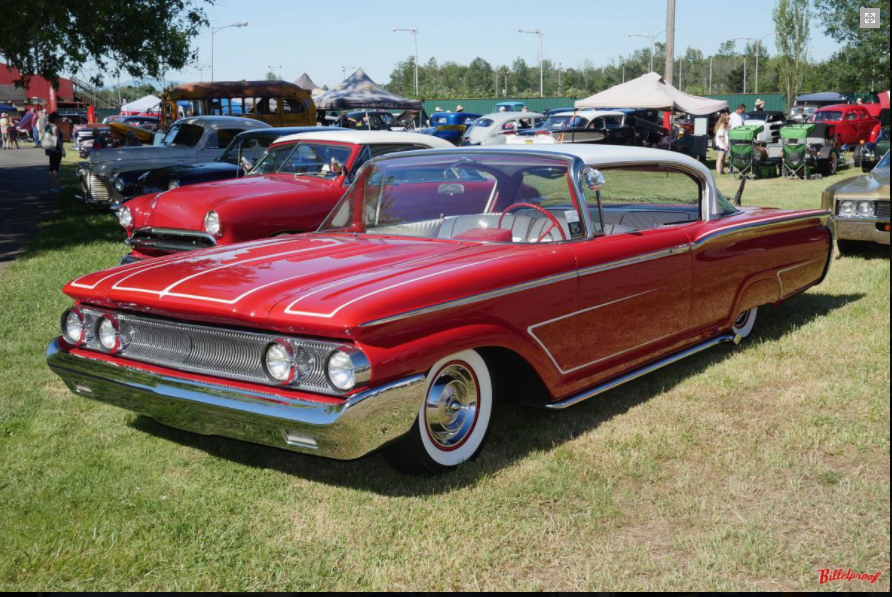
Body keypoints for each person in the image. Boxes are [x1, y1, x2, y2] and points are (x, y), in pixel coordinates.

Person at [45, 112, 65, 192]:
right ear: (55, 119)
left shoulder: (48, 126)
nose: (60, 119)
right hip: (56, 150)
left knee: (51, 168)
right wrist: (62, 149)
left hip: (50, 149)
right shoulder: (55, 127)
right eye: (59, 118)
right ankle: (56, 186)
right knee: (55, 168)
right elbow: (57, 140)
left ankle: (53, 185)